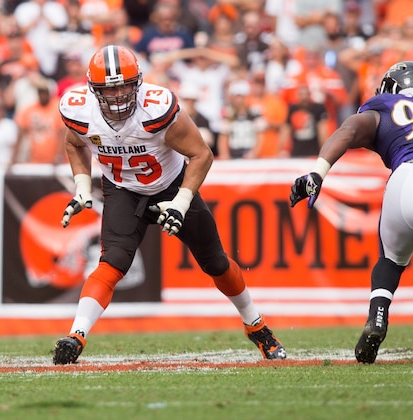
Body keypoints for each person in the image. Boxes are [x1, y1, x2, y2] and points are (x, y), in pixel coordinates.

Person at [53, 44, 286, 365]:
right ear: (94, 91)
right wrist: (82, 186)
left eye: (124, 85)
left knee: (215, 263)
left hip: (172, 184)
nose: (119, 95)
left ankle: (256, 325)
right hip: (123, 189)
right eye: (110, 88)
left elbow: (202, 154)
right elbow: (73, 142)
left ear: (138, 83)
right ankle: (76, 335)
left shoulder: (156, 108)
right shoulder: (79, 110)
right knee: (113, 261)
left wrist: (181, 201)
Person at [290, 61, 413, 366]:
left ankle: (376, 319)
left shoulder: (385, 105)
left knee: (390, 258)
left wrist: (318, 173)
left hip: (401, 180)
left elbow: (349, 130)